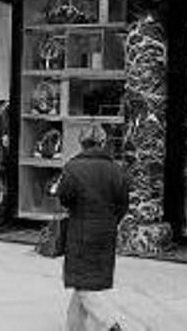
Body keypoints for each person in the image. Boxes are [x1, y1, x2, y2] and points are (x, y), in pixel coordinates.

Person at [55, 125, 130, 331]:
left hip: (80, 231)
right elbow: (123, 203)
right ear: (103, 143)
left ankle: (109, 324)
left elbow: (65, 198)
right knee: (87, 281)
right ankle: (74, 327)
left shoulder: (72, 167)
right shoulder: (116, 169)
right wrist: (111, 221)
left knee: (83, 284)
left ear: (82, 143)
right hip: (106, 232)